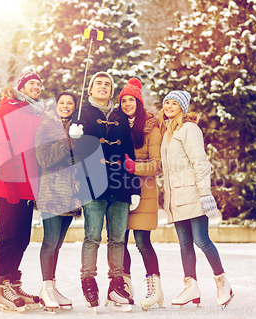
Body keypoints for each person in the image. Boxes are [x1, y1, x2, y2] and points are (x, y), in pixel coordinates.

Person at [68, 71, 141, 312]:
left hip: (119, 184)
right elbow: (76, 152)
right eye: (98, 83)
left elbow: (129, 151)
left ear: (111, 91)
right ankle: (88, 281)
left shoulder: (120, 116)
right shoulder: (82, 115)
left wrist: (134, 187)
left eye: (107, 84)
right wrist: (74, 136)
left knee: (118, 238)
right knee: (92, 237)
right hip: (93, 184)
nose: (103, 87)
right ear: (90, 90)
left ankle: (116, 285)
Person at [158, 90, 234, 309]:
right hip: (177, 197)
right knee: (184, 244)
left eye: (174, 103)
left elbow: (200, 162)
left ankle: (222, 282)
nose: (169, 106)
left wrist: (204, 193)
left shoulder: (189, 129)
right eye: (166, 103)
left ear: (182, 107)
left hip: (193, 193)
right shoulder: (168, 132)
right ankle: (191, 285)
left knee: (201, 240)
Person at [0, 70, 45, 313]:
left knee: (23, 237)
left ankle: (14, 281)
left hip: (28, 188)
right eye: (31, 83)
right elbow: (0, 147)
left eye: (39, 84)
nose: (36, 87)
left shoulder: (37, 114)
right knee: (8, 235)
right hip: (9, 184)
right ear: (22, 86)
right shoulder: (8, 109)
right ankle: (2, 285)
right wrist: (9, 182)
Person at [118, 78, 164, 310]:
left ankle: (155, 287)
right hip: (122, 190)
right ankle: (124, 286)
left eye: (131, 100)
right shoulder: (118, 126)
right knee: (120, 241)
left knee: (142, 242)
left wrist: (134, 166)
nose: (127, 104)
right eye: (123, 100)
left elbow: (157, 164)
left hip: (144, 193)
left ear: (139, 101)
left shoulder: (151, 129)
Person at [35, 92, 81, 312]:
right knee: (50, 242)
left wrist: (78, 139)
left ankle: (51, 285)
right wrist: (66, 141)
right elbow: (43, 159)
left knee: (58, 244)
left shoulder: (79, 127)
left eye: (69, 103)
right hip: (51, 192)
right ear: (56, 106)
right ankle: (46, 287)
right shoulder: (46, 127)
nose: (65, 106)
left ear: (74, 106)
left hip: (71, 195)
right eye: (62, 103)